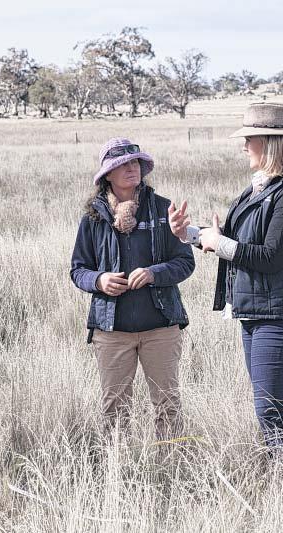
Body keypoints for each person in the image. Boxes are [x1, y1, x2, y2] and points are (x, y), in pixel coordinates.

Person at [168, 103, 283, 449]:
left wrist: (219, 243)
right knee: (272, 410)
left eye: (249, 139)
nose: (243, 146)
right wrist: (189, 234)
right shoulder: (262, 187)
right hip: (260, 312)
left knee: (272, 410)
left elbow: (271, 257)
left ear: (269, 142)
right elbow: (236, 241)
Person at [70, 138, 195, 440]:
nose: (132, 169)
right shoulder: (93, 218)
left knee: (168, 405)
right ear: (107, 175)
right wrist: (99, 280)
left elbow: (185, 262)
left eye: (135, 162)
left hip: (161, 326)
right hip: (112, 330)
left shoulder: (163, 209)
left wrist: (154, 273)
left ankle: (170, 462)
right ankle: (119, 465)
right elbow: (78, 270)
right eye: (122, 165)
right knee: (115, 409)